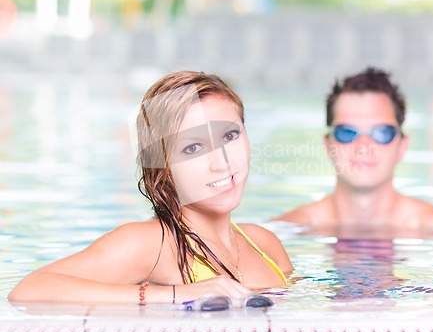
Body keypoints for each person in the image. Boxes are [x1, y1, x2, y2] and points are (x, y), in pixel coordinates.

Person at [9, 71, 292, 305]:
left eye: (230, 135)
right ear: (163, 166)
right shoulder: (154, 243)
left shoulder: (265, 243)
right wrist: (173, 294)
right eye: (193, 147)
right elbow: (29, 290)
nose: (222, 162)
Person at [274, 67, 433, 236]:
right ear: (328, 145)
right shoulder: (284, 231)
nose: (363, 146)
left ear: (402, 146)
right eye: (347, 132)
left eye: (381, 133)